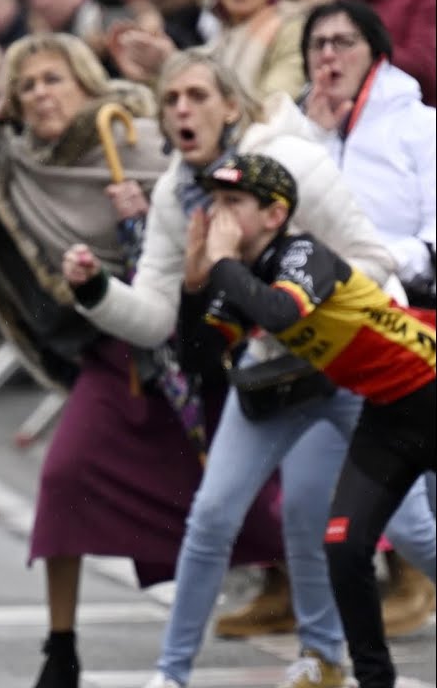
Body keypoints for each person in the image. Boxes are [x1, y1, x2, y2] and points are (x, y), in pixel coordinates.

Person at [60, 49, 433, 688]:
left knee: (401, 526)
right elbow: (172, 332)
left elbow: (370, 261)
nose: (182, 110)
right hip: (272, 375)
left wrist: (307, 303)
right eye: (170, 99)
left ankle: (335, 655)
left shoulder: (294, 167)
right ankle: (176, 674)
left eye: (197, 96)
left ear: (232, 105)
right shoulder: (180, 197)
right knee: (215, 516)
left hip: (359, 370)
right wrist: (96, 290)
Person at [0, 33, 283, 688]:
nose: (42, 95)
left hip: (196, 337)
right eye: (28, 86)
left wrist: (146, 219)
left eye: (54, 80)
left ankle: (329, 595)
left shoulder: (137, 135)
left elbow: (216, 197)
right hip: (115, 344)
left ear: (87, 83)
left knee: (258, 496)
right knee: (66, 476)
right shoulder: (13, 163)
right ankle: (60, 646)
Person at [186, 152, 436, 688]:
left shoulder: (303, 252)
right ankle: (373, 679)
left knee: (416, 534)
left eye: (233, 201)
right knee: (344, 545)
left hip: (430, 383)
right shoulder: (244, 277)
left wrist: (222, 262)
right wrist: (194, 282)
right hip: (387, 412)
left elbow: (280, 314)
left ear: (274, 215)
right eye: (215, 201)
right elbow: (199, 355)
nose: (218, 215)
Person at [299, 0, 437, 636]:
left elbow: (434, 234)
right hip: (329, 337)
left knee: (418, 510)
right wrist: (309, 136)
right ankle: (322, 651)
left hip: (414, 327)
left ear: (376, 52)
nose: (329, 56)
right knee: (309, 504)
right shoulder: (300, 132)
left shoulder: (419, 125)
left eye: (343, 42)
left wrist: (379, 263)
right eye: (317, 44)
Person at [110, 0, 307, 100]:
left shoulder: (293, 30)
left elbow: (274, 107)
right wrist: (152, 72)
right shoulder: (221, 33)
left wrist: (170, 63)